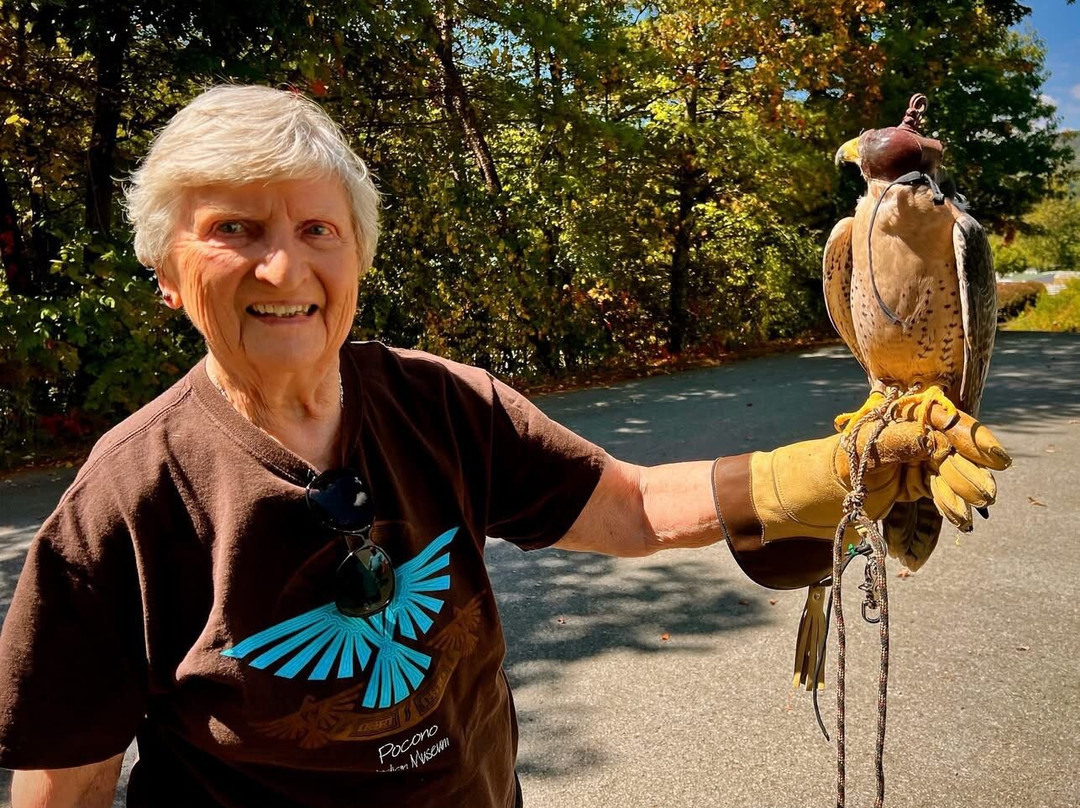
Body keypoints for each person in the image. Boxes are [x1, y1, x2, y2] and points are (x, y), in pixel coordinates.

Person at [0, 85, 1008, 808]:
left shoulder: (440, 404)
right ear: (169, 275)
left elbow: (628, 506)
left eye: (319, 228)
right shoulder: (125, 498)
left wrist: (828, 473)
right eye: (233, 227)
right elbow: (69, 779)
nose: (282, 264)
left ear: (356, 256)